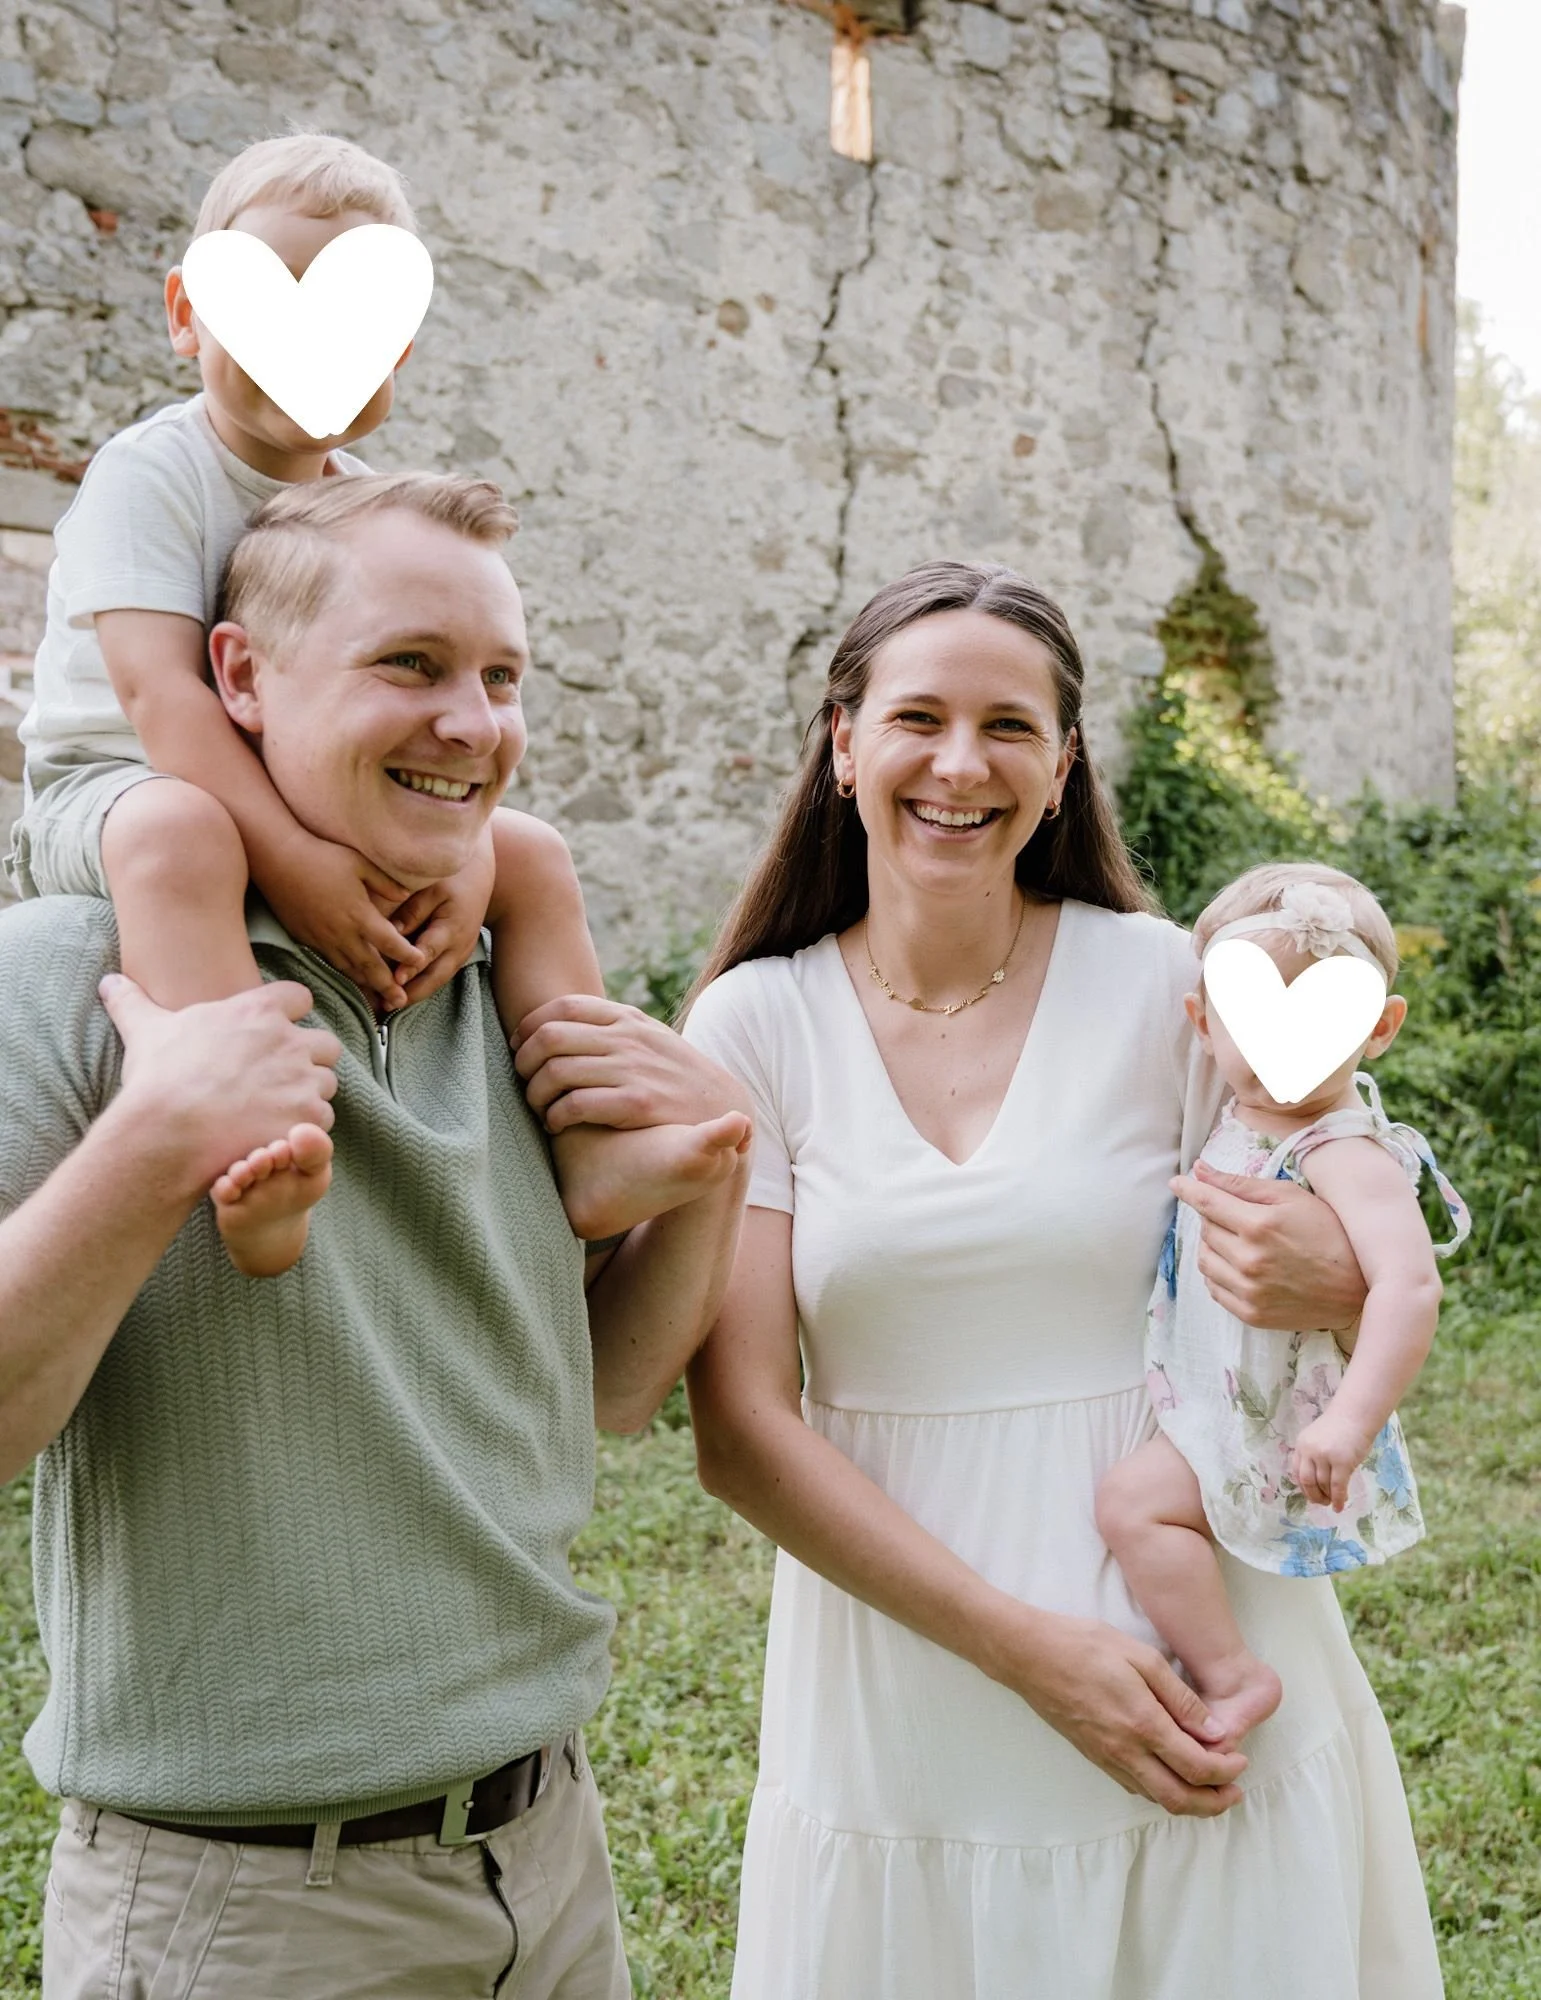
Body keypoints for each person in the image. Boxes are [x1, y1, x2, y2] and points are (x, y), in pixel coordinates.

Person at [0, 471, 752, 2000]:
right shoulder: (76, 975)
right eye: (409, 666)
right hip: (247, 1913)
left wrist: (718, 1172)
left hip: (546, 1863)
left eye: (499, 678)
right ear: (241, 679)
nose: (471, 724)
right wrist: (159, 1138)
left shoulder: (513, 992)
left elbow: (600, 1395)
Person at [682, 562, 1444, 1998]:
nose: (960, 764)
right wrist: (1032, 1655)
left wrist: (1342, 1268)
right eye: (916, 717)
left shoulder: (1166, 980)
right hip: (909, 1671)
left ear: (1063, 761)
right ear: (842, 744)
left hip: (1196, 1642)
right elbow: (738, 1428)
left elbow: (1330, 1191)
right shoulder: (757, 1022)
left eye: (1009, 726)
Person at [6, 129, 728, 1277]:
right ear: (189, 316)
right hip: (116, 784)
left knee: (530, 853)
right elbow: (162, 702)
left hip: (289, 783)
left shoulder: (368, 506)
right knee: (179, 834)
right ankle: (252, 1148)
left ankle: (594, 1139)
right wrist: (296, 861)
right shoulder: (152, 474)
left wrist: (470, 867)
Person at [1096, 863, 1470, 1750]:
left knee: (1131, 1506)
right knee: (1134, 1503)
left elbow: (1409, 1286)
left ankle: (1231, 1675)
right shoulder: (1241, 1117)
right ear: (1203, 1023)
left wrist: (1348, 1423)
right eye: (1252, 1027)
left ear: (1378, 1028)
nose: (1281, 1057)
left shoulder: (1342, 1148)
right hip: (1215, 1390)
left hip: (1274, 1424)